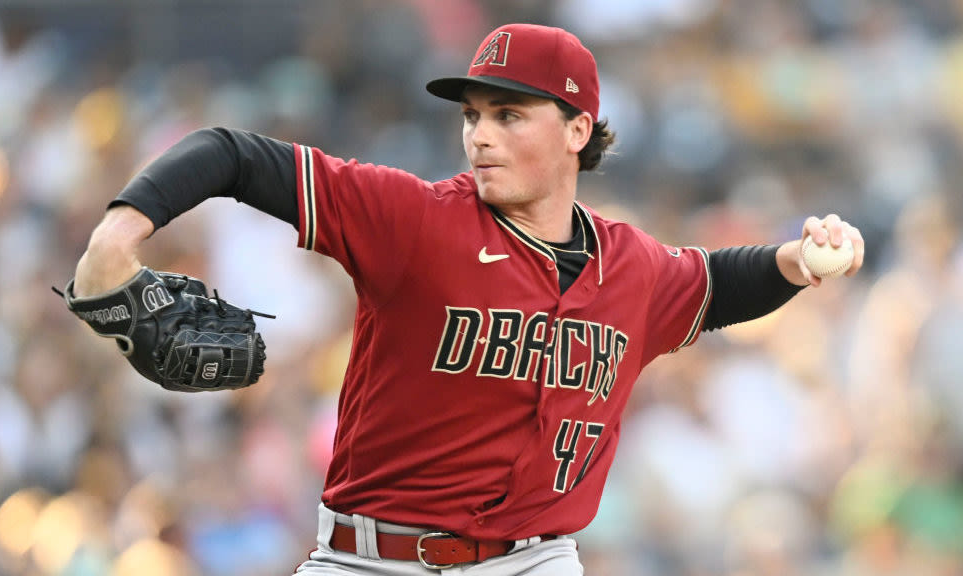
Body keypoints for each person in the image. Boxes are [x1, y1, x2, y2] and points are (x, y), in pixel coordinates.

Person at [71, 23, 865, 576]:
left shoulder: (634, 269)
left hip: (538, 560)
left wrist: (797, 260)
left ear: (577, 129)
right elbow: (232, 154)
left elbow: (720, 284)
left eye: (509, 115)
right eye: (473, 116)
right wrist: (116, 238)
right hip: (370, 558)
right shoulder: (412, 220)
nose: (479, 135)